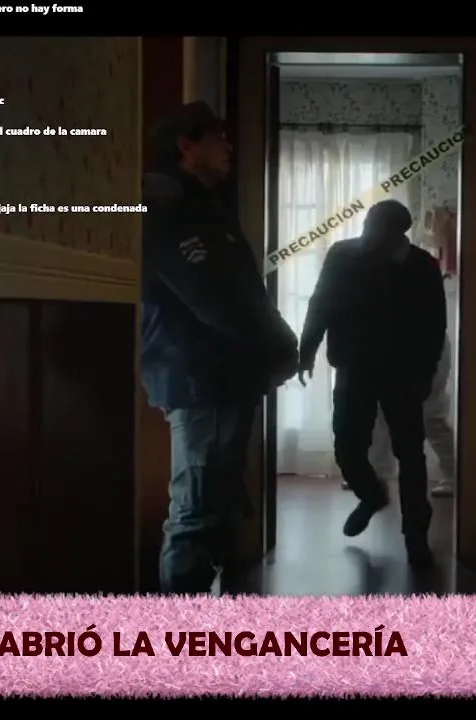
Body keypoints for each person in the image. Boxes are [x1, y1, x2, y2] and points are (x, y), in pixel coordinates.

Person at [140, 101, 299, 595]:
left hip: (220, 374)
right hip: (201, 375)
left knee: (214, 505)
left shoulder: (205, 207)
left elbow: (242, 294)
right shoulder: (171, 207)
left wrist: (277, 344)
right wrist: (279, 344)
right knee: (197, 512)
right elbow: (215, 299)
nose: (228, 146)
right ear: (186, 145)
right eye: (217, 138)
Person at [297, 199, 447, 570]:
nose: (372, 236)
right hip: (354, 368)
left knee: (410, 455)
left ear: (400, 234)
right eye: (370, 228)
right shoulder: (343, 255)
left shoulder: (422, 265)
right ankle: (372, 495)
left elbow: (434, 325)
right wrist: (307, 350)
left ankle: (416, 536)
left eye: (381, 231)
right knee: (347, 448)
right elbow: (320, 303)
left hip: (404, 374)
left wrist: (426, 374)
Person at [363, 331, 456, 497]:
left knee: (430, 419)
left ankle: (455, 476)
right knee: (383, 414)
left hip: (421, 343)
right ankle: (377, 474)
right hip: (407, 342)